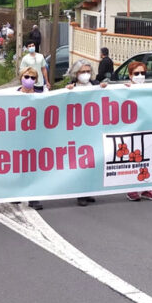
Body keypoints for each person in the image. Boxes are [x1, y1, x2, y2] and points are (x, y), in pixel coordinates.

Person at [66, 60, 107, 206]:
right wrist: (67, 92)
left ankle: (89, 191)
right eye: (82, 72)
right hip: (78, 132)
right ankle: (80, 193)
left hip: (94, 131)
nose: (86, 74)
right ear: (76, 74)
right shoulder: (71, 88)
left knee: (93, 162)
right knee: (81, 163)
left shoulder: (96, 85)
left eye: (88, 71)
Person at [122, 61, 152, 201]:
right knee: (132, 158)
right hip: (131, 131)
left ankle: (146, 188)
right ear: (130, 75)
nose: (140, 76)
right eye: (136, 73)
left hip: (148, 129)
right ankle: (130, 189)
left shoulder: (151, 90)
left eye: (143, 73)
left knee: (148, 158)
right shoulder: (124, 90)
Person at [17, 66, 44, 211]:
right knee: (17, 166)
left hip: (35, 136)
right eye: (26, 77)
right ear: (21, 77)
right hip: (17, 137)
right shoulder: (10, 95)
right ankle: (17, 194)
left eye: (33, 78)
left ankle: (34, 197)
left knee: (34, 167)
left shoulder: (42, 94)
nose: (29, 80)